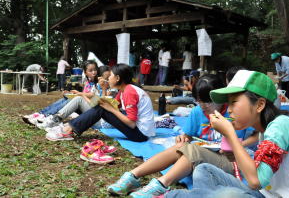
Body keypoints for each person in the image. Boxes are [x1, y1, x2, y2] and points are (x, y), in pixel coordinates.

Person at [107, 74, 256, 197]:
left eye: (208, 101)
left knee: (192, 150)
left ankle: (161, 184)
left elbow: (256, 134)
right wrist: (183, 138)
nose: (204, 106)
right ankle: (132, 176)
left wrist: (239, 143)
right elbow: (188, 135)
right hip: (204, 155)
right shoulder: (198, 112)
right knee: (182, 145)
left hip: (228, 159)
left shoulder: (233, 113)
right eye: (199, 101)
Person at [165, 70, 289, 198]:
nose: (229, 110)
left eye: (234, 103)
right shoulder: (264, 131)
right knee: (204, 170)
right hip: (265, 193)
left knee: (228, 194)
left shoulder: (280, 126)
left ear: (260, 105)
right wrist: (235, 155)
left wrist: (231, 135)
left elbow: (255, 181)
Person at [45, 64, 155, 143]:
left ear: (117, 78)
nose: (108, 79)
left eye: (110, 76)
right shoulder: (124, 90)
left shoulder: (129, 91)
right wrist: (101, 90)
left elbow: (131, 123)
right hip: (139, 131)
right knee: (100, 107)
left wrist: (110, 109)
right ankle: (66, 126)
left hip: (140, 134)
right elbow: (105, 104)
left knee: (101, 108)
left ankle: (67, 129)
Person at [22, 60, 99, 126]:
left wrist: (79, 93)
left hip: (90, 107)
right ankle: (41, 114)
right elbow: (84, 94)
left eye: (95, 70)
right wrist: (71, 93)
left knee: (72, 99)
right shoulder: (87, 82)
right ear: (85, 72)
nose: (94, 72)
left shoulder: (99, 81)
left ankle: (46, 116)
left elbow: (93, 95)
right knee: (67, 98)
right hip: (83, 103)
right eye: (90, 70)